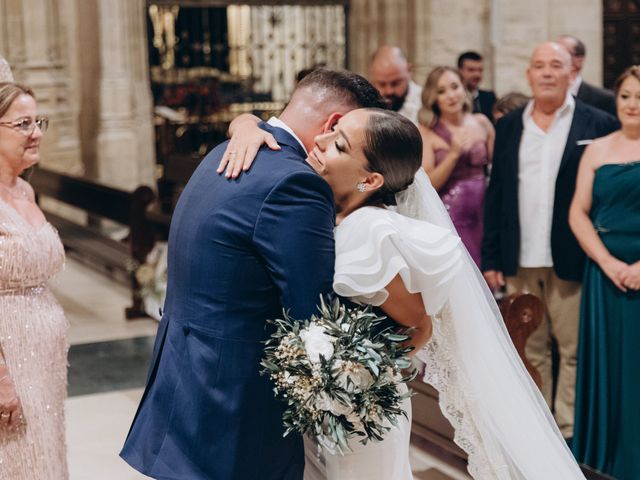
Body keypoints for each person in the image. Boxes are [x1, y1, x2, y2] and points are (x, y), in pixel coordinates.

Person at [224, 107, 588, 479]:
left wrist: (354, 377)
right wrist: (245, 124)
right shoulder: (340, 216)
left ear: (370, 180)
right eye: (332, 131)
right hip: (336, 409)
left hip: (362, 413)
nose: (320, 141)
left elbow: (418, 325)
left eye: (339, 145)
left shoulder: (368, 230)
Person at [120, 69, 388, 480]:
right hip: (235, 400)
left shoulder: (226, 150)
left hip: (185, 372)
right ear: (334, 124)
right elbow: (314, 313)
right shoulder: (296, 182)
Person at [481, 42, 619, 440]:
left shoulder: (597, 123)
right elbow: (498, 194)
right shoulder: (508, 127)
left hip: (571, 256)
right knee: (529, 346)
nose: (546, 73)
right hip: (519, 255)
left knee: (573, 350)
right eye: (538, 65)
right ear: (528, 74)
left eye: (555, 65)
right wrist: (491, 255)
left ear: (571, 73)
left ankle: (568, 431)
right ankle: (536, 431)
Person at [569, 65, 640, 479]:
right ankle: (605, 451)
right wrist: (609, 263)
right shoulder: (596, 149)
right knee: (608, 360)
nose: (632, 104)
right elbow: (578, 213)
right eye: (627, 95)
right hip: (606, 269)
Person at [0, 82, 67, 479]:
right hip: (10, 363)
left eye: (38, 121)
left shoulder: (25, 190)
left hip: (45, 364)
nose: (36, 132)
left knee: (45, 457)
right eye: (23, 123)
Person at [418, 66, 494, 266]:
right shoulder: (427, 132)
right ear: (433, 98)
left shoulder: (482, 123)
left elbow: (497, 170)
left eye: (455, 87)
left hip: (485, 209)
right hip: (451, 214)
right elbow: (428, 184)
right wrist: (452, 155)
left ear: (464, 89)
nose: (451, 96)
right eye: (442, 91)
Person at [557, 35, 617, 117]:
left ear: (579, 60)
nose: (556, 58)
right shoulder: (544, 96)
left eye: (562, 54)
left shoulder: (604, 99)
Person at [368, 46, 422, 125]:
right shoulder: (364, 106)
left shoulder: (426, 105)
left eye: (395, 83)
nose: (389, 91)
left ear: (409, 70)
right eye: (382, 84)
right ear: (372, 75)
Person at [457, 51, 497, 121]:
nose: (477, 74)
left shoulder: (489, 97)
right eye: (471, 70)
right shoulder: (454, 97)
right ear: (459, 71)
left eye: (480, 70)